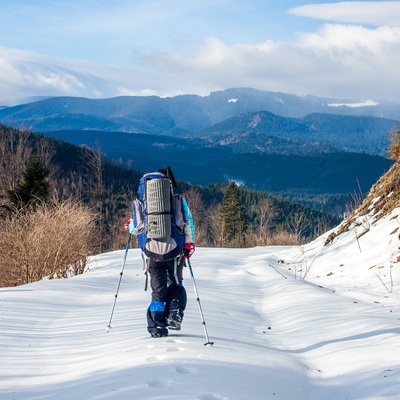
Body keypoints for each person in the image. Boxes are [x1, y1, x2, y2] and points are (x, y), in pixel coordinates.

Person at [124, 168, 195, 338]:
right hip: (174, 251)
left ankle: (156, 326)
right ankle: (174, 314)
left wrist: (129, 226)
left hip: (151, 253)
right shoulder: (177, 200)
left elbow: (138, 227)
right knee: (175, 283)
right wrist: (188, 244)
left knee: (158, 291)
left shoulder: (141, 202)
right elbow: (187, 222)